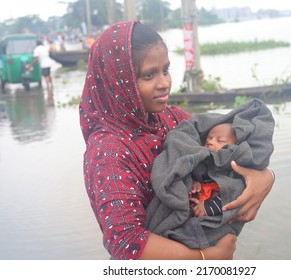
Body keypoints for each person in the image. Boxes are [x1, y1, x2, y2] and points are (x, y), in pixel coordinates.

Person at [79, 20, 275, 260]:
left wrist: (265, 177)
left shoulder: (171, 118)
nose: (164, 83)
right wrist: (206, 259)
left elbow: (224, 150)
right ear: (118, 82)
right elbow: (125, 241)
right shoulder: (108, 151)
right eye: (149, 75)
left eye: (165, 69)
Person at [146, 98, 275, 249]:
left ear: (235, 147)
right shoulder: (200, 160)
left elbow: (229, 197)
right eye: (209, 139)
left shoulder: (233, 172)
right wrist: (192, 184)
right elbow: (191, 173)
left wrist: (207, 207)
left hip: (207, 214)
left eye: (220, 141)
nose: (211, 142)